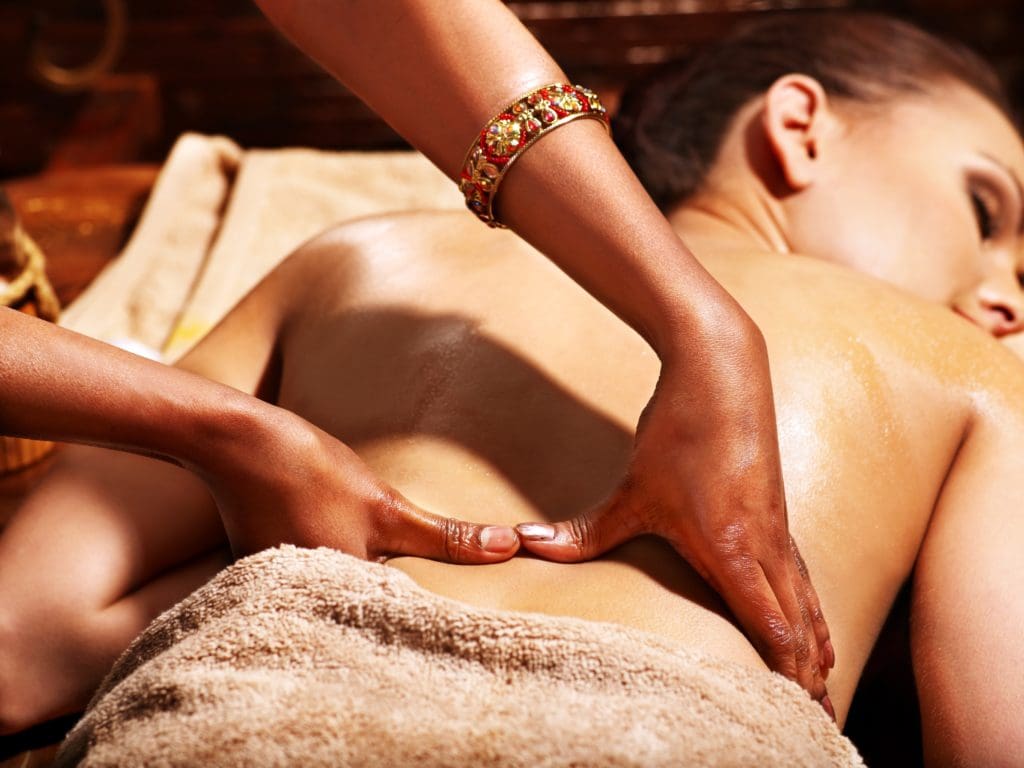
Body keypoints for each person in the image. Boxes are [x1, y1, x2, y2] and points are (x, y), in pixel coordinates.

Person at [2, 11, 1022, 763]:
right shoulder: (965, 370)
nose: (1007, 293)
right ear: (797, 125)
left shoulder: (357, 257)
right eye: (988, 211)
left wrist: (276, 586)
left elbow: (19, 646)